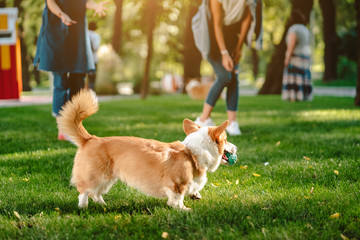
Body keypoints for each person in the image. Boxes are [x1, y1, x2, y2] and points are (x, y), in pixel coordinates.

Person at [34, 0, 108, 140]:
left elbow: (84, 2)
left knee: (78, 78)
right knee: (60, 80)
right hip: (56, 28)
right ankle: (62, 128)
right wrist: (61, 15)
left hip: (77, 32)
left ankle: (74, 125)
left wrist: (95, 6)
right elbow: (50, 2)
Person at [194, 0, 262, 136]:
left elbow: (247, 20)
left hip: (233, 36)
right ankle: (203, 119)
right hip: (213, 35)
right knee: (225, 76)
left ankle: (232, 123)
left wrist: (239, 48)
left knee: (233, 77)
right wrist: (224, 53)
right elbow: (217, 24)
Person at [282, 9, 312, 102]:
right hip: (305, 55)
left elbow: (292, 44)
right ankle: (304, 95)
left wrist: (287, 57)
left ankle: (294, 96)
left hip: (296, 56)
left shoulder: (294, 29)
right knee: (303, 77)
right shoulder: (305, 29)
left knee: (294, 77)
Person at [87, 21, 101, 91]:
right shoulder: (96, 36)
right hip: (93, 59)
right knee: (92, 79)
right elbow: (96, 47)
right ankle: (91, 92)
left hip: (84, 59)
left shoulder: (85, 34)